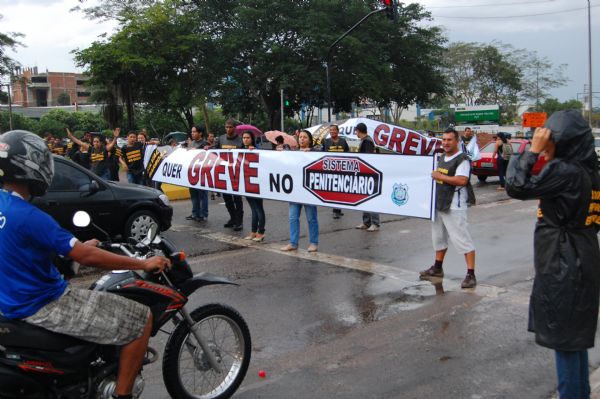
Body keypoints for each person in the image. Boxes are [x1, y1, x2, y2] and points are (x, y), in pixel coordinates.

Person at [0, 130, 171, 399]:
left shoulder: (4, 206)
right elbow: (86, 257)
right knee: (141, 319)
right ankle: (122, 395)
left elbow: (24, 250)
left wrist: (75, 251)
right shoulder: (30, 216)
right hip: (42, 303)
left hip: (11, 300)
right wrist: (142, 261)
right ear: (29, 165)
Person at [505, 110, 600, 399]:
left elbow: (516, 186)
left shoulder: (565, 172)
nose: (544, 146)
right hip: (582, 254)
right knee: (574, 341)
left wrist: (530, 152)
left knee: (566, 341)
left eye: (549, 141)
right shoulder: (590, 172)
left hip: (564, 262)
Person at [420, 127, 477, 289]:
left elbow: (462, 180)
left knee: (462, 239)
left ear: (457, 141)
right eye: (443, 140)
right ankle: (437, 268)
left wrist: (440, 176)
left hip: (455, 205)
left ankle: (471, 274)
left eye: (449, 140)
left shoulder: (463, 159)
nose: (445, 143)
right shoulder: (441, 157)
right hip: (439, 203)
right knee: (438, 237)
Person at [281, 130, 319, 252]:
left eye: (305, 137)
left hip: (309, 191)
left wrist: (312, 153)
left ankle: (313, 242)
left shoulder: (315, 152)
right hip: (295, 191)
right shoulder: (293, 153)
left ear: (309, 140)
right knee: (293, 217)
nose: (302, 139)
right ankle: (293, 243)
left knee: (311, 218)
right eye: (300, 137)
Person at [216, 119, 244, 231]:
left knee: (237, 199)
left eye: (230, 127)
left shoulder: (241, 140)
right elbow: (215, 152)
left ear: (235, 128)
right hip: (225, 173)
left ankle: (239, 221)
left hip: (237, 174)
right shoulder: (221, 139)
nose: (228, 129)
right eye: (226, 127)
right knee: (227, 198)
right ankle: (232, 218)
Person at [354, 122, 380, 231]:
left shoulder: (368, 142)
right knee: (364, 199)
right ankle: (366, 222)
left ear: (359, 131)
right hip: (364, 174)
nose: (355, 133)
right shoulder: (364, 141)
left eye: (356, 131)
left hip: (369, 175)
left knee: (371, 199)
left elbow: (369, 159)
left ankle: (375, 223)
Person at [241, 131, 266, 242]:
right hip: (246, 183)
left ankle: (261, 232)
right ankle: (253, 232)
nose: (245, 139)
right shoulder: (241, 150)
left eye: (247, 138)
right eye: (244, 137)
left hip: (256, 184)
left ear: (252, 139)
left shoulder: (258, 150)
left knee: (258, 209)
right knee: (253, 209)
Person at [322, 124, 350, 219]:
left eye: (334, 130)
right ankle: (335, 211)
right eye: (330, 130)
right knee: (334, 191)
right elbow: (323, 155)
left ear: (338, 131)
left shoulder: (343, 141)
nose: (332, 132)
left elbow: (348, 153)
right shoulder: (326, 142)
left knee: (340, 191)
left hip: (342, 170)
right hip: (331, 171)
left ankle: (338, 209)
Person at [186, 126, 208, 222]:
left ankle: (203, 214)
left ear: (200, 133)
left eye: (194, 132)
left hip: (202, 173)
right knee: (194, 194)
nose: (192, 133)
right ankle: (195, 213)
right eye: (192, 132)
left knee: (202, 195)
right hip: (192, 173)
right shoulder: (192, 143)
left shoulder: (205, 144)